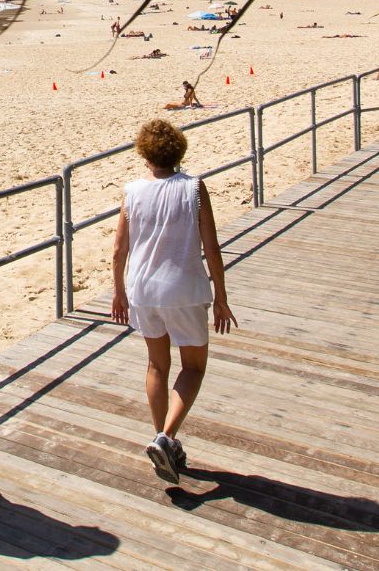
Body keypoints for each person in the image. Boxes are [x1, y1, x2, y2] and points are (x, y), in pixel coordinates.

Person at [109, 119, 235, 485]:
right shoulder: (193, 187)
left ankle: (163, 438)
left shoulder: (132, 191)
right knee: (193, 368)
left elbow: (119, 248)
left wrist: (118, 291)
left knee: (156, 366)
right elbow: (211, 247)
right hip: (184, 288)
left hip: (143, 289)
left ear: (144, 153)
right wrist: (222, 297)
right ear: (178, 151)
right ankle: (165, 437)